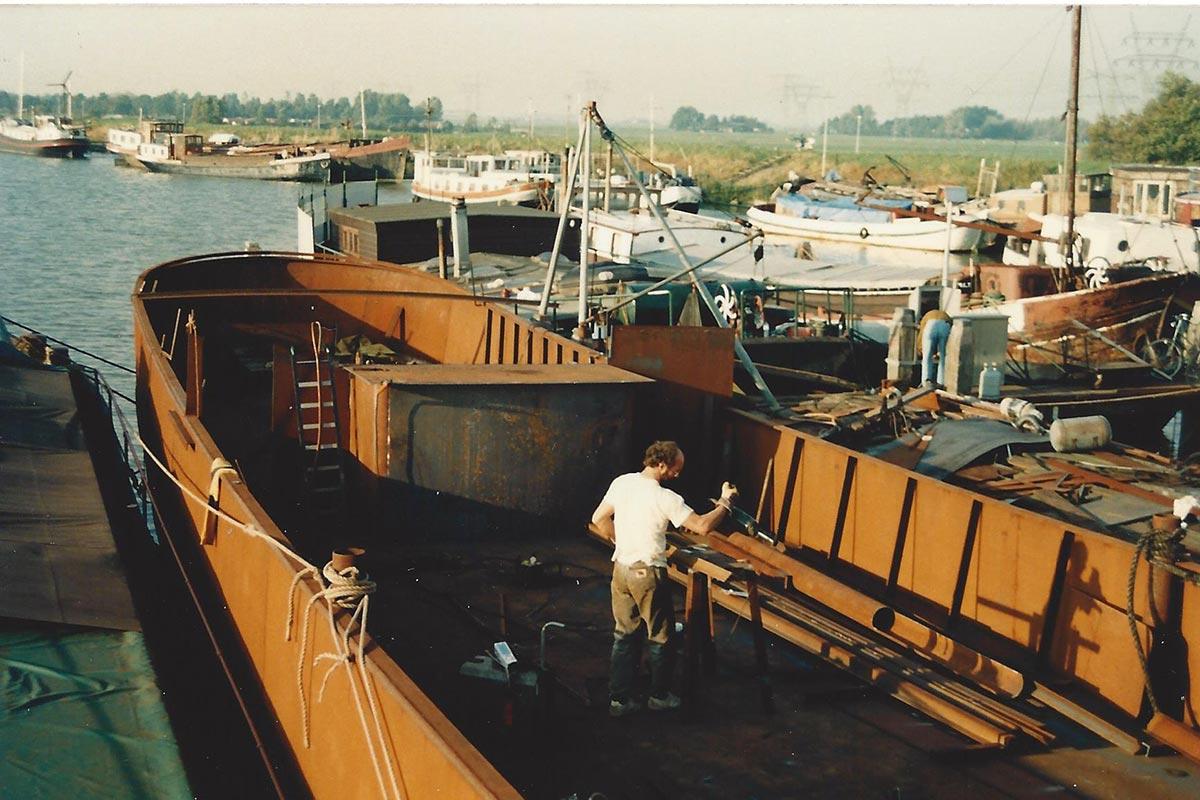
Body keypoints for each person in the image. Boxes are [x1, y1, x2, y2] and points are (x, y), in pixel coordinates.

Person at [591, 441, 738, 717]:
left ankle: (620, 701)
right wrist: (726, 503)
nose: (677, 475)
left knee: (624, 634)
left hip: (621, 569)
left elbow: (599, 518)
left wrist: (621, 541)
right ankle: (659, 696)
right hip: (647, 572)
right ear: (661, 465)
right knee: (660, 636)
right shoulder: (665, 498)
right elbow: (702, 526)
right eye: (675, 469)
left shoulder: (622, 482)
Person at [918, 308, 952, 387]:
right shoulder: (946, 315)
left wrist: (919, 349)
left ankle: (925, 381)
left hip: (931, 325)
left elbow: (921, 334)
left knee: (927, 357)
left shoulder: (926, 317)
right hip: (945, 324)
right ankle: (941, 382)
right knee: (943, 357)